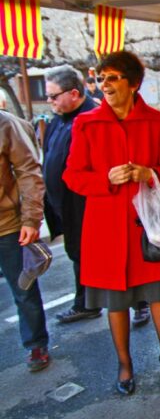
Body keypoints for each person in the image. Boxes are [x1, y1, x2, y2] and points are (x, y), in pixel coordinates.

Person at [63, 51, 160, 396]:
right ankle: (124, 364)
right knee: (116, 302)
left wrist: (150, 173)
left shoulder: (158, 122)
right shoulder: (86, 123)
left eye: (113, 77)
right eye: (101, 79)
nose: (104, 84)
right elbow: (72, 176)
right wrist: (105, 179)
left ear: (133, 83)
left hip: (150, 228)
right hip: (105, 231)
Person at [43, 65, 102, 324]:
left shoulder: (95, 117)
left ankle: (139, 302)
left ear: (74, 93)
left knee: (108, 253)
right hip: (66, 205)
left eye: (54, 96)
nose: (50, 101)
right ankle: (86, 302)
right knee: (78, 255)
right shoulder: (58, 119)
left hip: (88, 204)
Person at [0, 110, 50, 372]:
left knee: (23, 288)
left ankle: (36, 343)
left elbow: (29, 172)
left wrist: (31, 219)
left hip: (7, 225)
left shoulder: (6, 124)